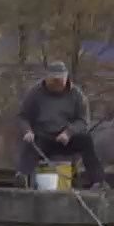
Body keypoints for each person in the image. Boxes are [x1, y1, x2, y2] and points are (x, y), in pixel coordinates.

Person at [15, 61, 106, 189]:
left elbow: (83, 120)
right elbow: (22, 116)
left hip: (65, 138)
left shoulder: (76, 95)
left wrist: (68, 132)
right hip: (43, 137)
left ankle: (98, 181)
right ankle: (22, 176)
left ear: (66, 78)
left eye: (60, 80)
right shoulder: (35, 93)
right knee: (30, 146)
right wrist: (27, 131)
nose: (57, 84)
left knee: (86, 141)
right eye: (54, 80)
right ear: (47, 78)